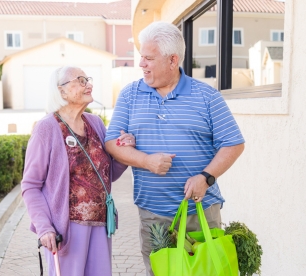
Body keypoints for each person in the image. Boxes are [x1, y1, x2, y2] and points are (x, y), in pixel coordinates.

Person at [104, 21, 245, 275]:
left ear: (172, 60)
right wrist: (146, 160)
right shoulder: (129, 95)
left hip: (200, 211)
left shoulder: (207, 97)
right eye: (141, 57)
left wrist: (206, 177)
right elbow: (112, 143)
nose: (141, 64)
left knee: (208, 271)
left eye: (148, 58)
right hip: (153, 214)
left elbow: (233, 143)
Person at [21, 66, 135, 276]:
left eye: (88, 80)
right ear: (61, 91)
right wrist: (44, 227)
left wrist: (124, 151)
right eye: (80, 80)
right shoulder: (46, 128)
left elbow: (107, 175)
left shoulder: (95, 123)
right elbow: (30, 186)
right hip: (67, 229)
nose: (89, 85)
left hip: (101, 225)